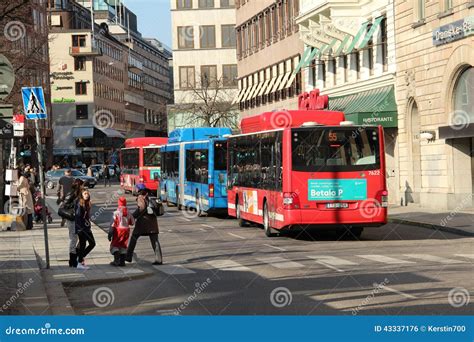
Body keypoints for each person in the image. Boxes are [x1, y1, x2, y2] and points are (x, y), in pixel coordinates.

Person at [126, 187, 162, 265]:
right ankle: (159, 260)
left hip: (143, 223)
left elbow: (141, 208)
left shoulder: (140, 198)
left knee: (133, 238)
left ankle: (128, 256)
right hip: (153, 224)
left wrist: (132, 216)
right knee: (155, 241)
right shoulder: (151, 196)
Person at [60, 179, 84, 267]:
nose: (83, 187)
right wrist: (75, 205)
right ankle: (72, 260)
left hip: (76, 219)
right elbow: (64, 205)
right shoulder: (71, 193)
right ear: (79, 185)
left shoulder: (77, 194)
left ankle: (75, 258)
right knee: (73, 238)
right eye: (82, 185)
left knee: (78, 238)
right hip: (71, 218)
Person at [108, 197, 134, 267]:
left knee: (115, 245)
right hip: (126, 231)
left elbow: (112, 224)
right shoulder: (128, 212)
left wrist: (110, 233)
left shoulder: (116, 213)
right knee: (123, 245)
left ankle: (116, 261)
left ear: (118, 203)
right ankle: (122, 262)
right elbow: (132, 222)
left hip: (118, 231)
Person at [75, 189, 95, 269]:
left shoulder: (87, 203)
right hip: (81, 228)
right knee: (83, 244)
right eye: (85, 193)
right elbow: (78, 216)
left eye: (87, 193)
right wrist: (80, 228)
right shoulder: (80, 204)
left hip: (86, 227)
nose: (87, 195)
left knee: (92, 243)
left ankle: (80, 257)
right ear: (82, 195)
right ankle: (79, 262)